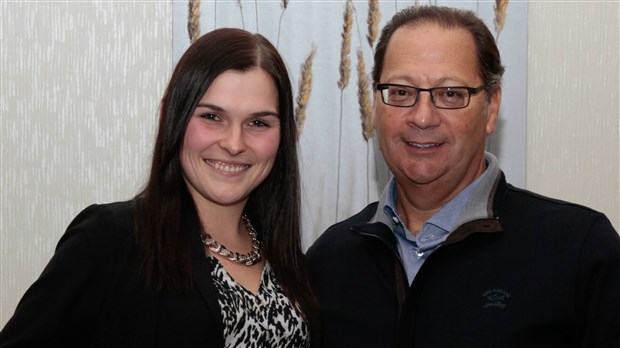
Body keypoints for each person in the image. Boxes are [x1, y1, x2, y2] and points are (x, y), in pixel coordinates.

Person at [306, 5, 620, 348]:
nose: (422, 117)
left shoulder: (580, 250)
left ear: (492, 107)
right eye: (400, 91)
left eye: (450, 94)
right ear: (377, 105)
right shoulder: (329, 261)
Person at [0, 28, 317, 347]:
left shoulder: (291, 262)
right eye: (211, 116)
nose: (234, 144)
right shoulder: (110, 240)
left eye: (258, 123)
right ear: (172, 116)